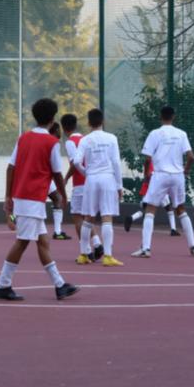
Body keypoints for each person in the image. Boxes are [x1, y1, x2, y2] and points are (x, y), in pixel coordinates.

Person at [0, 98, 78, 301]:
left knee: (43, 241)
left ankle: (59, 285)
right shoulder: (51, 143)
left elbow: (11, 167)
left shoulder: (23, 138)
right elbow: (57, 173)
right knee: (22, 242)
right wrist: (63, 195)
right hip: (32, 199)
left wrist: (8, 195)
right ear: (52, 118)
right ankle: (3, 285)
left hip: (26, 198)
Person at [133, 105, 194, 258]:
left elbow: (148, 158)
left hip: (160, 175)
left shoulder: (155, 133)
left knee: (150, 210)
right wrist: (186, 170)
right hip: (178, 176)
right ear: (173, 116)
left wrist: (146, 174)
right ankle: (193, 246)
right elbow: (191, 157)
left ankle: (146, 249)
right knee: (181, 209)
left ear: (160, 116)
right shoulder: (181, 134)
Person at [72, 108, 124, 267]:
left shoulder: (85, 140)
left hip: (91, 180)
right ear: (103, 121)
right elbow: (116, 162)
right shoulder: (111, 138)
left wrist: (86, 173)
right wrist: (119, 185)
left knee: (88, 217)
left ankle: (83, 254)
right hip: (107, 178)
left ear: (88, 123)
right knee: (107, 216)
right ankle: (108, 256)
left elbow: (76, 161)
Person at [61, 113, 103, 261]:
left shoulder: (70, 142)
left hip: (80, 183)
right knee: (88, 217)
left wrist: (66, 178)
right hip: (92, 182)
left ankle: (86, 251)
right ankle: (97, 244)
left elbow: (75, 163)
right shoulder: (86, 139)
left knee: (77, 216)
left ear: (64, 128)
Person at [123, 158, 179, 236]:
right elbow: (148, 176)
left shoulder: (155, 162)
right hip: (156, 189)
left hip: (150, 190)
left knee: (148, 211)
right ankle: (173, 229)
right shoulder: (154, 162)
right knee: (168, 208)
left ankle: (131, 218)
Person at [46, 121, 70, 240]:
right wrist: (63, 190)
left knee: (56, 198)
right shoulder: (53, 143)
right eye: (58, 129)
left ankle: (57, 231)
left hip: (41, 177)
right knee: (58, 198)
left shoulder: (43, 140)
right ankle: (57, 231)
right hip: (43, 177)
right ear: (55, 130)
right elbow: (56, 171)